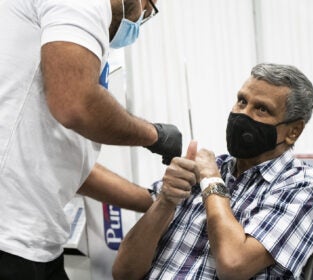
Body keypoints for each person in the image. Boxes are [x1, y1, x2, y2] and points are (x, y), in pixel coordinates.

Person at [0, 0, 181, 279]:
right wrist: (154, 135)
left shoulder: (72, 36)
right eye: (149, 7)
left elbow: (70, 168)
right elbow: (75, 104)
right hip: (9, 238)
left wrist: (159, 201)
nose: (143, 16)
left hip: (32, 241)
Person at [112, 63, 313, 279]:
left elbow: (233, 266)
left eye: (261, 109)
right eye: (242, 101)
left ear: (293, 131)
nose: (243, 115)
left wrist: (211, 181)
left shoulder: (303, 185)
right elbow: (124, 272)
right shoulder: (198, 169)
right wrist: (165, 201)